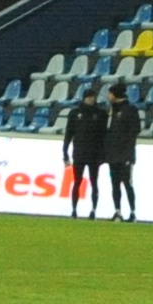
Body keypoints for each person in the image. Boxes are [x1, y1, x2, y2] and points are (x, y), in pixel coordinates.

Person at [63, 87, 110, 219]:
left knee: (94, 182)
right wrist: (65, 152)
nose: (91, 100)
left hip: (94, 153)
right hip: (79, 152)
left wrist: (104, 155)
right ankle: (74, 210)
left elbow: (104, 135)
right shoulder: (75, 113)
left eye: (92, 97)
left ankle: (93, 210)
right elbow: (69, 133)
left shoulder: (101, 114)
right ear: (84, 98)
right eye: (89, 97)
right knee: (77, 181)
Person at [104, 83, 142, 222]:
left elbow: (136, 130)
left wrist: (127, 149)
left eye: (110, 93)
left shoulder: (130, 110)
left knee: (127, 183)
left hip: (125, 154)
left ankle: (133, 212)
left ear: (115, 94)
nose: (108, 96)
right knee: (115, 184)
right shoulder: (111, 110)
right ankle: (117, 211)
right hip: (113, 154)